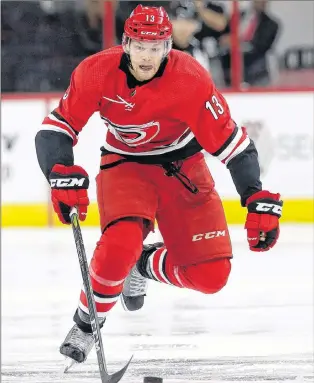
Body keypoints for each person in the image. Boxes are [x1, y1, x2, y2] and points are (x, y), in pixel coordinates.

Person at [35, 4, 283, 364]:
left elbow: (234, 144)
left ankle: (144, 265)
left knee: (211, 275)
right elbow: (57, 127)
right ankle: (87, 324)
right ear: (126, 44)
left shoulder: (190, 78)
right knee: (119, 243)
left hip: (184, 166)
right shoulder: (96, 71)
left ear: (168, 47)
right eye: (140, 46)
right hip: (126, 166)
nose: (148, 56)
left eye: (156, 47)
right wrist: (59, 171)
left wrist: (254, 193)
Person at [219, 0, 280, 86]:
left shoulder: (271, 24)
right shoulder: (238, 17)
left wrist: (236, 41)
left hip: (255, 68)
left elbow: (261, 46)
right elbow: (223, 36)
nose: (261, 3)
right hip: (230, 65)